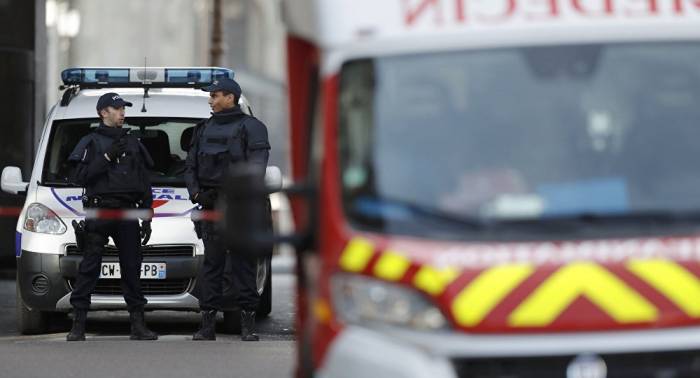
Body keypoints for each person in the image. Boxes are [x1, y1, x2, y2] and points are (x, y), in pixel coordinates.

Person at [65, 92, 158, 341]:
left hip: (127, 211)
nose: (122, 112)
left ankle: (138, 326)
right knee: (89, 268)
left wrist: (147, 215)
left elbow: (143, 181)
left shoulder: (133, 142)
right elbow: (79, 178)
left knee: (132, 267)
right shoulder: (90, 142)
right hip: (101, 209)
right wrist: (106, 157)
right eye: (117, 109)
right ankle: (78, 326)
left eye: (123, 108)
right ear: (103, 112)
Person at [185, 77, 271, 341]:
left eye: (216, 95)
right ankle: (207, 325)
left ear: (231, 98)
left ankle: (247, 325)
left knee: (244, 266)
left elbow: (256, 168)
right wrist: (197, 193)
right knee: (212, 266)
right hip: (210, 205)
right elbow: (190, 167)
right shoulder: (203, 129)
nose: (211, 100)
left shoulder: (252, 128)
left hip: (239, 208)